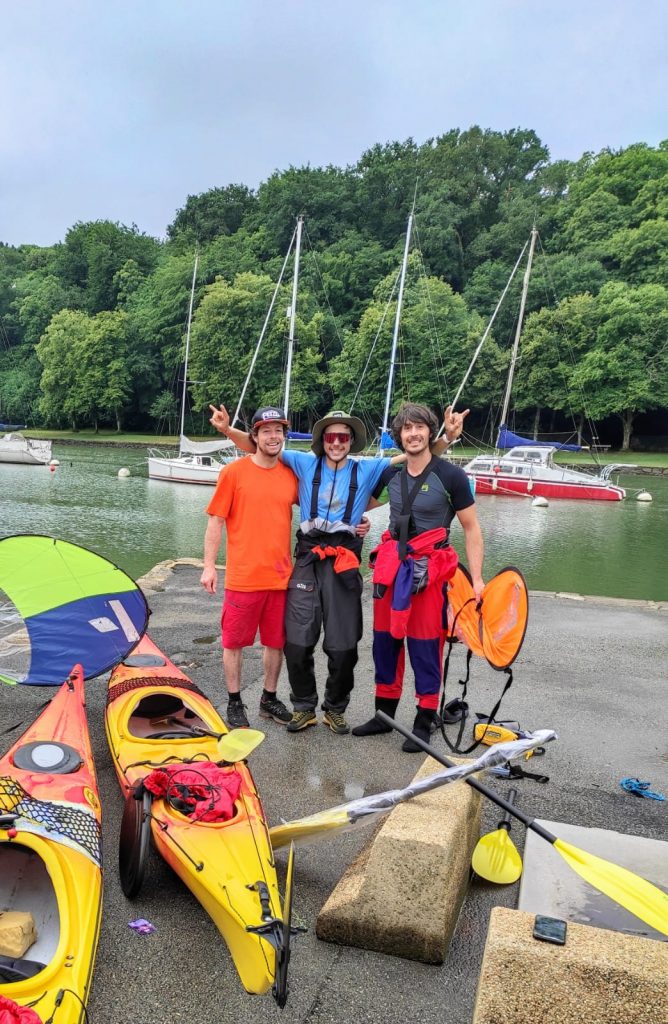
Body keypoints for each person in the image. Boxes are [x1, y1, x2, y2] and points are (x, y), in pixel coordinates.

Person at [209, 404, 467, 737]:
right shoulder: (301, 462)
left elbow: (418, 455)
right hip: (308, 558)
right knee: (298, 640)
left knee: (344, 642)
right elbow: (262, 445)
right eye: (331, 436)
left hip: (345, 558)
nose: (336, 442)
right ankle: (303, 707)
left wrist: (446, 436)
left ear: (351, 441)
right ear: (322, 440)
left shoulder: (370, 469)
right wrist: (228, 431)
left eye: (343, 437)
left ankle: (334, 708)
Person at [352, 402, 484, 752]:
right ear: (399, 435)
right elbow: (364, 505)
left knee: (426, 646)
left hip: (430, 572)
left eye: (419, 427)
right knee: (385, 642)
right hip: (392, 569)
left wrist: (479, 579)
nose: (413, 433)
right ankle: (384, 717)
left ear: (430, 431)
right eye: (406, 429)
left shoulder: (452, 477)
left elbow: (472, 529)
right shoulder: (390, 475)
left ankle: (424, 720)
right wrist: (360, 521)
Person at [200, 406, 298, 729]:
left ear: (284, 434)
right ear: (254, 436)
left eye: (278, 430)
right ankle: (234, 701)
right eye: (265, 430)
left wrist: (358, 522)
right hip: (242, 579)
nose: (273, 436)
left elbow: (322, 503)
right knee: (234, 643)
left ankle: (269, 698)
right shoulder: (233, 473)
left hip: (280, 579)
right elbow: (216, 521)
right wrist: (209, 566)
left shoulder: (290, 475)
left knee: (276, 643)